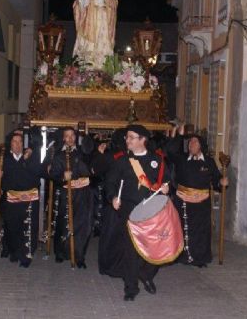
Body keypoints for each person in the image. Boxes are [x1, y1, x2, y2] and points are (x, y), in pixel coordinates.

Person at [106, 124, 172, 301]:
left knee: (156, 247)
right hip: (129, 210)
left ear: (143, 139)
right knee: (130, 250)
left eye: (131, 137)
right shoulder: (122, 160)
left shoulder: (157, 160)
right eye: (126, 137)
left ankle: (145, 273)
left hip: (151, 210)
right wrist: (113, 197)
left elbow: (167, 180)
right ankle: (131, 288)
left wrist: (167, 188)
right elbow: (110, 183)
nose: (127, 140)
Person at [166, 125, 227, 267]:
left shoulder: (208, 162)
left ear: (201, 146)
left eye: (195, 142)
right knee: (183, 229)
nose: (191, 144)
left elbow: (216, 179)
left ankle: (199, 258)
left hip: (202, 203)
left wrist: (221, 182)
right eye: (190, 142)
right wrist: (179, 137)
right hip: (183, 201)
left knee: (200, 232)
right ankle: (183, 256)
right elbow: (168, 151)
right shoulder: (181, 159)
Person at [0, 131, 44, 267]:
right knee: (12, 227)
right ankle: (14, 251)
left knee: (29, 228)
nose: (18, 145)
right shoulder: (4, 159)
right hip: (12, 200)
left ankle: (26, 256)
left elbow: (39, 173)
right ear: (10, 144)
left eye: (20, 142)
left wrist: (26, 161)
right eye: (14, 142)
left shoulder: (30, 157)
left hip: (29, 199)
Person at [49, 127, 94, 268]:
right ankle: (60, 253)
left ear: (75, 137)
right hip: (65, 194)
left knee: (82, 225)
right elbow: (53, 176)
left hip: (82, 194)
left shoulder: (83, 153)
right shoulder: (58, 155)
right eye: (66, 136)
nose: (69, 138)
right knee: (63, 224)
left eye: (72, 135)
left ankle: (79, 256)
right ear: (63, 138)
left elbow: (92, 171)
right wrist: (63, 177)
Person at [93, 128, 127, 277]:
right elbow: (96, 170)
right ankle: (112, 266)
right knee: (113, 235)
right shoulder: (115, 156)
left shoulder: (114, 155)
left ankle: (114, 266)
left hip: (120, 201)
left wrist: (99, 155)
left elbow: (96, 170)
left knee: (116, 236)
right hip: (116, 201)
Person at [72, 0, 118, 69]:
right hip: (90, 18)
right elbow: (78, 2)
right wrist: (83, 2)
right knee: (89, 40)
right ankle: (88, 64)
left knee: (102, 37)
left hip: (103, 16)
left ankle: (102, 64)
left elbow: (114, 2)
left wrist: (110, 0)